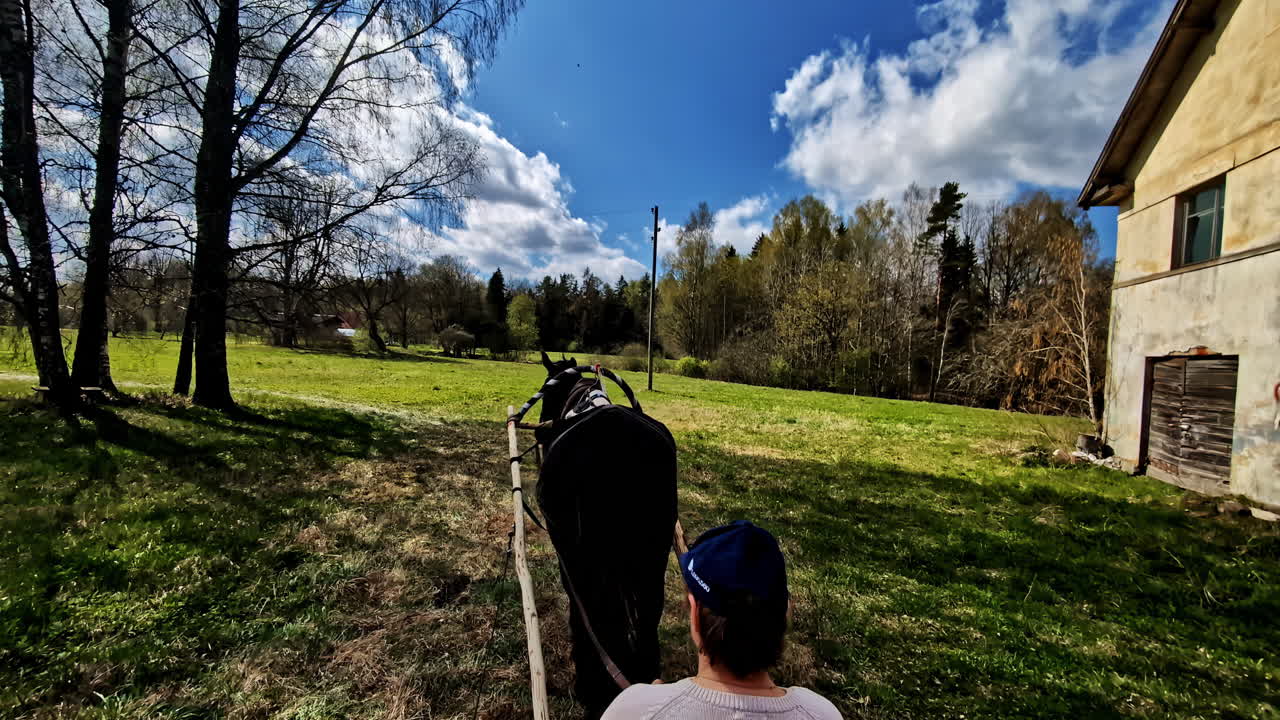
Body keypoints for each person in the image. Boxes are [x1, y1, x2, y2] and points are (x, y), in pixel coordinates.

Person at [600, 521, 842, 720]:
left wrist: (651, 702)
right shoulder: (823, 713)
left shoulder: (632, 710)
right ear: (785, 615)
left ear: (694, 615)